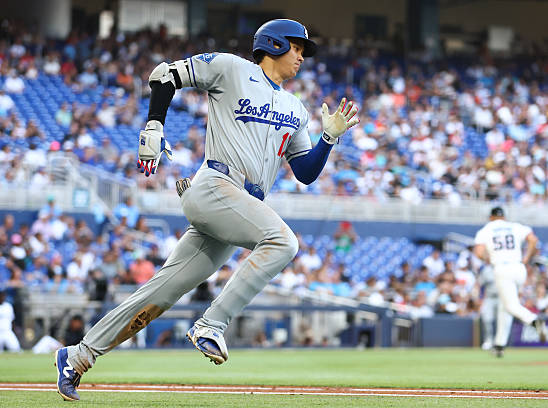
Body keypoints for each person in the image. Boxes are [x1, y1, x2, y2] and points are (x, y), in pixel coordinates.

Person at [55, 18, 360, 401]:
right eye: (297, 48)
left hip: (236, 206)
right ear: (275, 45)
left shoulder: (295, 108)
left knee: (160, 294)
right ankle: (212, 324)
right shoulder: (232, 69)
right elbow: (164, 75)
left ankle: (77, 356)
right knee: (283, 242)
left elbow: (305, 173)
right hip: (215, 185)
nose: (301, 56)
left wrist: (328, 138)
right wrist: (154, 124)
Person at [473, 206, 547, 357]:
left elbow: (479, 252)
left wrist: (488, 259)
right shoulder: (514, 226)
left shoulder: (487, 229)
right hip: (519, 268)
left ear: (491, 217)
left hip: (502, 268)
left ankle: (533, 320)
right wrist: (526, 257)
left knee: (511, 305)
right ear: (504, 217)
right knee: (505, 304)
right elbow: (533, 239)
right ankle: (499, 345)